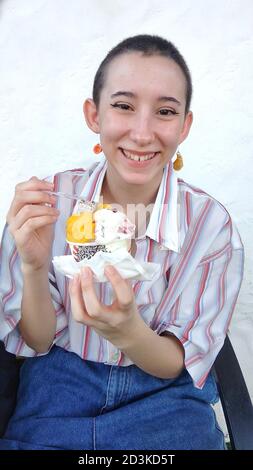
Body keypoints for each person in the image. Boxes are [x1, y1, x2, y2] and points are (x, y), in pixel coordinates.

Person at [0, 34, 244, 450]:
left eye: (165, 111)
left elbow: (176, 364)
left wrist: (130, 332)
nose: (143, 133)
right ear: (94, 115)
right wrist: (34, 266)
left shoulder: (209, 226)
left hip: (164, 397)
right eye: (123, 106)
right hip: (59, 387)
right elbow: (38, 340)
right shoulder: (48, 202)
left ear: (185, 125)